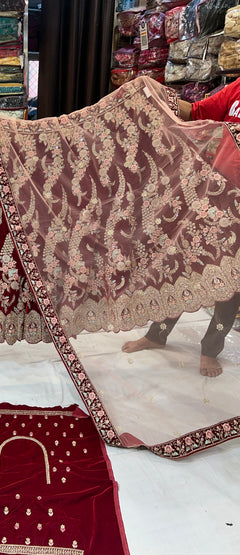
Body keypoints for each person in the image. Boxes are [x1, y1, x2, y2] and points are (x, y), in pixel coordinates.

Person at [122, 77, 240, 378]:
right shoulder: (239, 86)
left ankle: (210, 349)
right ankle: (157, 334)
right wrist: (152, 91)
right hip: (215, 193)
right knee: (181, 264)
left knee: (232, 278)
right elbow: (196, 112)